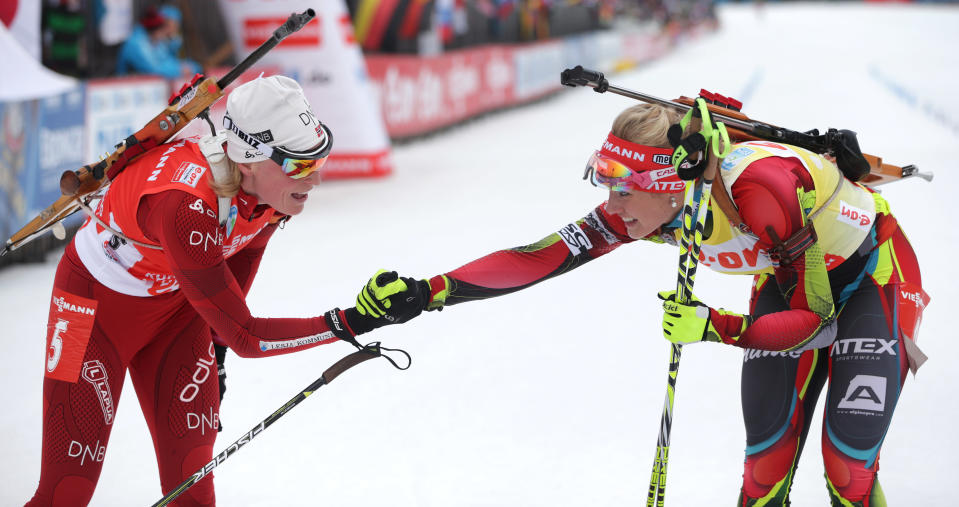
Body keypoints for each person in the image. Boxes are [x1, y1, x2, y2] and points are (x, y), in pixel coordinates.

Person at [370, 102, 929, 506]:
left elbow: (815, 323)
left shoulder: (757, 189)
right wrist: (430, 291)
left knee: (846, 468)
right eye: (606, 183)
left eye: (622, 188)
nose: (610, 205)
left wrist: (716, 327)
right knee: (765, 471)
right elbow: (538, 257)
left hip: (870, 275)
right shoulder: (651, 203)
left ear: (667, 181)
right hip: (792, 279)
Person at [27, 75, 424, 506]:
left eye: (319, 160)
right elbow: (248, 336)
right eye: (300, 165)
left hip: (177, 314)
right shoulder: (187, 206)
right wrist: (351, 322)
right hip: (92, 309)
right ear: (250, 159)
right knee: (64, 495)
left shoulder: (271, 192)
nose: (315, 179)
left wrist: (215, 348)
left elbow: (237, 274)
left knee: (193, 495)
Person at [116, 5, 201, 80]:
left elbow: (167, 60)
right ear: (159, 30)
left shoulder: (155, 40)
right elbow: (153, 69)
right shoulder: (136, 44)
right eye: (168, 26)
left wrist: (191, 67)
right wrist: (180, 70)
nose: (170, 30)